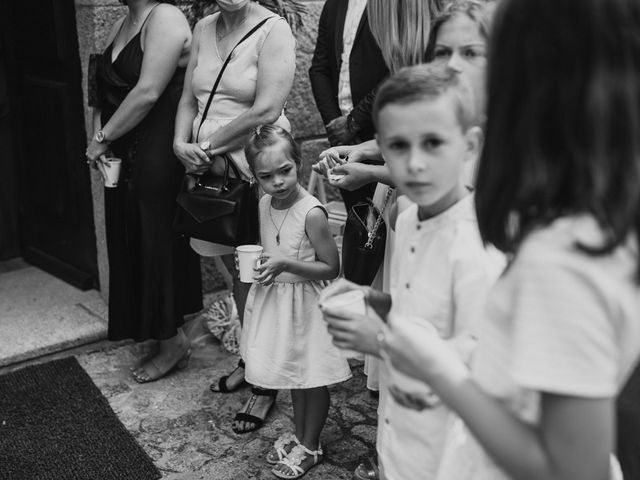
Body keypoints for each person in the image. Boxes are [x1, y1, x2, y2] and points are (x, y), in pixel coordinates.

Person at [379, 0, 640, 478]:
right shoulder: (605, 212)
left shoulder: (562, 256)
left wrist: (439, 366)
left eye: (484, 55)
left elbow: (573, 471)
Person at [322, 65, 505, 480]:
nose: (415, 162)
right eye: (398, 146)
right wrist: (376, 305)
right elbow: (418, 307)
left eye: (434, 143)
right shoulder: (405, 217)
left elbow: (481, 371)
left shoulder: (478, 245)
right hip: (399, 434)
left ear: (470, 146)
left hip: (452, 454)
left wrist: (384, 338)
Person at [173, 0, 296, 433]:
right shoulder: (203, 26)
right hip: (211, 174)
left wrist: (206, 148)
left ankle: (266, 383)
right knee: (234, 273)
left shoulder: (273, 30)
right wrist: (178, 143)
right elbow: (188, 97)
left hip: (254, 170)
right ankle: (251, 360)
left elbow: (266, 109)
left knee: (260, 276)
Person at [86, 0, 202, 383]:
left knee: (156, 241)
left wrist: (103, 138)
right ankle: (157, 330)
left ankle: (174, 340)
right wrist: (98, 137)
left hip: (156, 152)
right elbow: (102, 88)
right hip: (122, 150)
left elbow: (149, 91)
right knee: (130, 238)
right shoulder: (121, 23)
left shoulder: (165, 17)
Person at [239, 125, 351, 478]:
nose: (278, 182)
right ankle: (302, 436)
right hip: (278, 303)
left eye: (285, 171)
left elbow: (331, 267)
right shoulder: (263, 203)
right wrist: (266, 264)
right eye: (266, 176)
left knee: (312, 378)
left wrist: (286, 264)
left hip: (306, 306)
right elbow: (274, 245)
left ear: (298, 162)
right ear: (255, 177)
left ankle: (312, 445)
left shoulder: (312, 213)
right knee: (294, 376)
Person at [308, 0, 388, 212]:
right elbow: (319, 68)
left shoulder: (392, 6)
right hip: (342, 139)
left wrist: (354, 122)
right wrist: (336, 126)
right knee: (357, 222)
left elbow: (399, 69)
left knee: (386, 224)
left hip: (383, 130)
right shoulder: (334, 4)